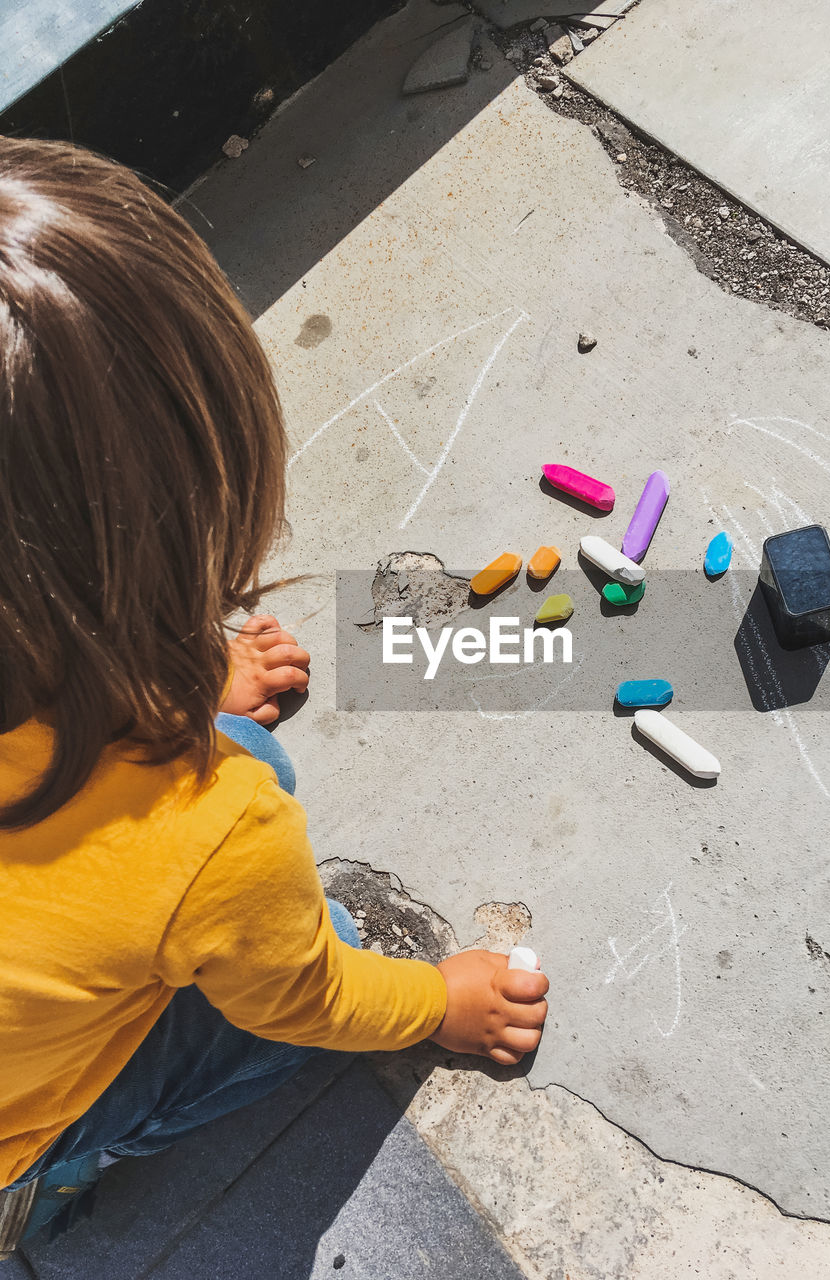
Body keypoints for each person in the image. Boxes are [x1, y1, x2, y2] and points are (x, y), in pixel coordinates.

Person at [0, 136, 549, 1248]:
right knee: (319, 932)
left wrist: (184, 687)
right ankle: (50, 1176)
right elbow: (306, 992)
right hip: (24, 1117)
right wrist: (435, 1000)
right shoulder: (214, 832)